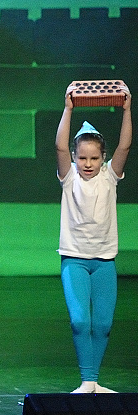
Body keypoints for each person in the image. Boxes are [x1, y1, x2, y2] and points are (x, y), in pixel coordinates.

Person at [55, 82, 131, 394]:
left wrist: (127, 110)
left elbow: (125, 147)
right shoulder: (69, 177)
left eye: (94, 159)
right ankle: (87, 380)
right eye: (83, 158)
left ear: (103, 158)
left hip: (104, 262)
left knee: (102, 324)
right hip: (74, 259)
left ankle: (93, 381)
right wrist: (68, 109)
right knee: (79, 321)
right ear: (75, 157)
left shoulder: (110, 177)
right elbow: (60, 147)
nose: (88, 164)